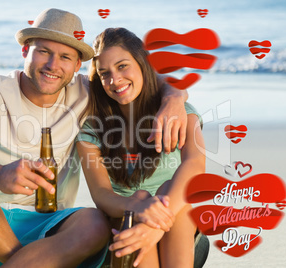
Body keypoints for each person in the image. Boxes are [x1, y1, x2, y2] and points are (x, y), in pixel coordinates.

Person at [0, 9, 187, 268]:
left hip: (51, 235)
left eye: (65, 57)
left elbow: (136, 74)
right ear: (25, 51)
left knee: (94, 222)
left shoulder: (86, 94)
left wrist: (174, 96)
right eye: (43, 51)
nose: (53, 65)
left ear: (77, 67)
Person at [76, 28, 206, 267]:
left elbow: (195, 165)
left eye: (122, 66)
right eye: (104, 73)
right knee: (140, 200)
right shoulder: (92, 129)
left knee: (170, 190)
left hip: (180, 233)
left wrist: (154, 226)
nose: (114, 80)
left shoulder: (177, 113)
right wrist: (140, 207)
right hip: (122, 231)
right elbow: (102, 195)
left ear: (143, 64)